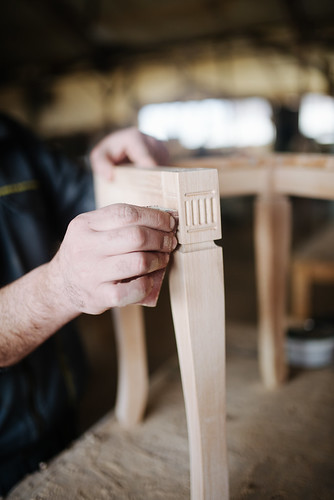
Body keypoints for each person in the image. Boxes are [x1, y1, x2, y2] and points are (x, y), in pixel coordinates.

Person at [0, 113, 177, 495]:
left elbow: (87, 198)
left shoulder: (12, 137)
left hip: (60, 413)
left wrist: (120, 176)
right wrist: (59, 288)